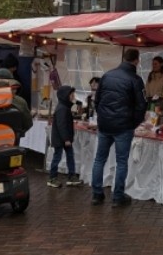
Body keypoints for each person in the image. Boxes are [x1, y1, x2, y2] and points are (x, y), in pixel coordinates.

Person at [91, 47, 145, 207]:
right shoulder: (135, 80)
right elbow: (141, 106)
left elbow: (97, 100)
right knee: (121, 161)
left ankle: (97, 194)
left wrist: (102, 117)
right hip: (123, 126)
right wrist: (133, 123)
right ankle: (118, 196)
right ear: (136, 60)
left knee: (99, 159)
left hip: (105, 125)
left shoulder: (107, 76)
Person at [47, 84, 80, 187]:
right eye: (71, 94)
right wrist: (66, 138)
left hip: (63, 138)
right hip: (61, 139)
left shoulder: (65, 107)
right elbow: (62, 125)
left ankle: (71, 176)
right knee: (57, 157)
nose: (73, 96)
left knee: (70, 156)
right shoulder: (62, 108)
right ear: (66, 95)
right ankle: (52, 178)